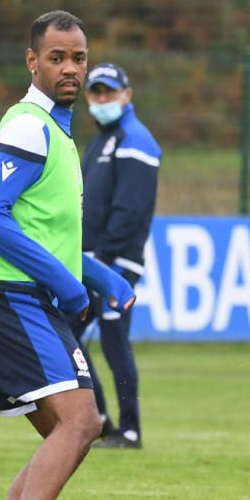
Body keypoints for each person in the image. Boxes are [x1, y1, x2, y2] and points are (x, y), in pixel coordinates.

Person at [0, 12, 135, 500]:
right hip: (8, 295)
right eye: (57, 57)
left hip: (6, 294)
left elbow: (44, 231)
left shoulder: (56, 135)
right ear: (32, 62)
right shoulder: (29, 125)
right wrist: (66, 283)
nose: (70, 68)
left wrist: (97, 274)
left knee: (67, 432)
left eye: (78, 58)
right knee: (83, 422)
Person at [71, 63, 162, 449]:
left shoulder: (135, 139)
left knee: (111, 340)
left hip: (114, 261)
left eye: (109, 91)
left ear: (127, 94)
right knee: (73, 337)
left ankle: (128, 428)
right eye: (96, 92)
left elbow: (131, 209)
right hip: (93, 258)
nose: (102, 98)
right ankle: (104, 420)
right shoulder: (104, 139)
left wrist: (104, 259)